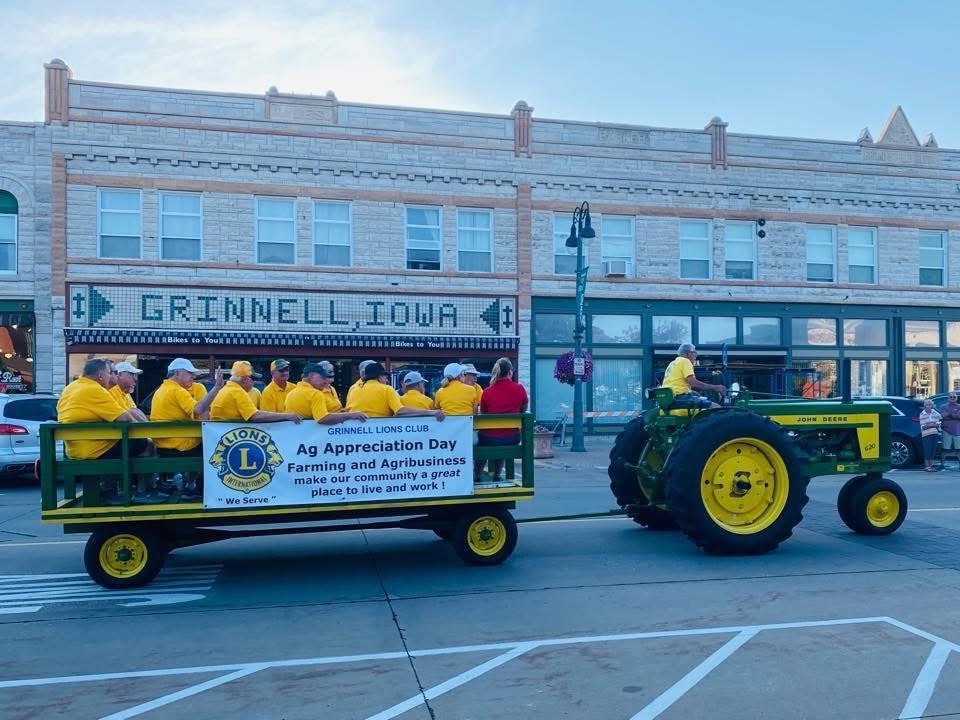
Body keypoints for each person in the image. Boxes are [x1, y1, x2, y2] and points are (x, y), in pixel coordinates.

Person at [56, 357, 148, 460]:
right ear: (100, 376)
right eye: (109, 373)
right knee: (141, 441)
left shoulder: (70, 387)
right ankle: (129, 475)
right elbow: (125, 418)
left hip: (74, 448)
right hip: (92, 450)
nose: (112, 376)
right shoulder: (95, 389)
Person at [150, 358, 226, 454]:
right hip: (179, 445)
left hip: (163, 445)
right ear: (177, 374)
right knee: (217, 449)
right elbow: (198, 410)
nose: (193, 376)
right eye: (189, 373)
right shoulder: (177, 390)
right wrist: (216, 388)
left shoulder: (161, 389)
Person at [478, 357, 529, 482]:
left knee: (484, 440)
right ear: (510, 372)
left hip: (489, 439)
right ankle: (497, 474)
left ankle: (477, 474)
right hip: (512, 438)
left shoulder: (487, 392)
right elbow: (524, 408)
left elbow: (484, 413)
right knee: (502, 436)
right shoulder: (519, 389)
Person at [209, 361, 303, 423]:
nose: (254, 382)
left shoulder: (227, 388)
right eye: (253, 378)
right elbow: (256, 416)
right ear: (244, 379)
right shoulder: (237, 392)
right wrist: (287, 416)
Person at [347, 362, 445, 419]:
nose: (386, 380)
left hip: (356, 435)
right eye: (385, 377)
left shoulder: (353, 389)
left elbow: (347, 411)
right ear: (379, 377)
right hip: (379, 434)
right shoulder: (386, 389)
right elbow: (400, 411)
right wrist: (430, 412)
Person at [285, 362, 367, 423]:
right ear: (311, 375)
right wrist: (351, 415)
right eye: (322, 377)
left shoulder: (291, 393)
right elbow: (322, 418)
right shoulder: (315, 394)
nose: (325, 381)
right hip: (312, 440)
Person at [661, 343, 726, 408]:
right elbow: (692, 382)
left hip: (669, 399)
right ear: (688, 354)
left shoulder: (672, 363)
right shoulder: (685, 361)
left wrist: (691, 392)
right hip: (680, 399)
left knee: (699, 398)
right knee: (716, 407)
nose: (695, 356)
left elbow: (675, 384)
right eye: (694, 353)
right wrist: (715, 387)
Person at [920, 399, 942, 472]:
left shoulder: (935, 413)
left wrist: (931, 424)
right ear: (925, 406)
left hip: (935, 434)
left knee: (933, 450)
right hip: (926, 435)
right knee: (927, 450)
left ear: (932, 406)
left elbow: (939, 422)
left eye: (930, 405)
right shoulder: (922, 414)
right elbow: (923, 426)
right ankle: (927, 466)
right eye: (927, 405)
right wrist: (933, 424)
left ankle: (931, 466)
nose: (928, 406)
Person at [938, 392, 960, 464]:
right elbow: (943, 416)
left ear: (956, 398)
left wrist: (949, 414)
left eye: (954, 397)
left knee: (958, 450)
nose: (953, 398)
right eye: (951, 397)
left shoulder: (959, 406)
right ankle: (942, 465)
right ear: (948, 398)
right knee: (944, 449)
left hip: (957, 431)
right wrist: (954, 415)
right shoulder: (943, 406)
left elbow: (959, 416)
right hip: (946, 430)